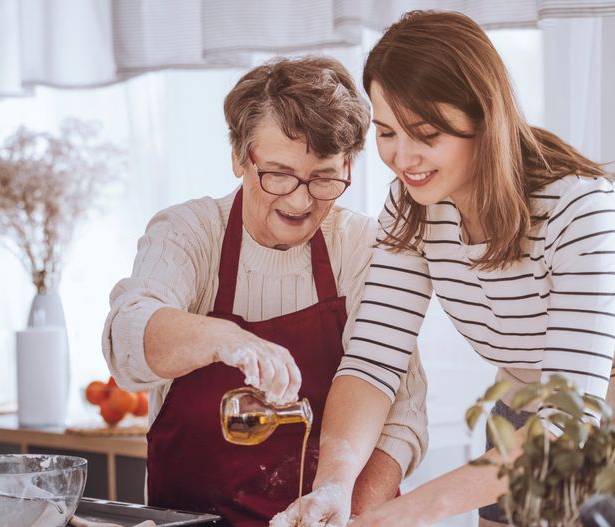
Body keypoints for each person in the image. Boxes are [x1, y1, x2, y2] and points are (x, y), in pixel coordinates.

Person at [271, 11, 615, 527]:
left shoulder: (582, 208)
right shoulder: (412, 205)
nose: (402, 157)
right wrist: (335, 485)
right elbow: (373, 361)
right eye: (387, 132)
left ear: (483, 117)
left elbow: (569, 419)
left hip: (613, 409)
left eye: (425, 133)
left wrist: (406, 511)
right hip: (520, 411)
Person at [101, 57, 428, 526]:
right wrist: (224, 339)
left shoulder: (363, 246)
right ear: (239, 156)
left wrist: (350, 513)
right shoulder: (189, 232)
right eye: (278, 173)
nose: (299, 200)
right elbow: (126, 341)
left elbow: (401, 413)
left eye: (323, 178)